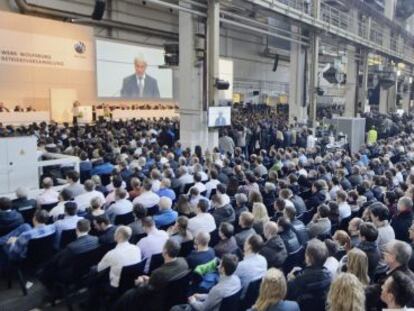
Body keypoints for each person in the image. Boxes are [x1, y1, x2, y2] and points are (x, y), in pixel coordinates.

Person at [116, 239, 189, 310]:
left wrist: (140, 283)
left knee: (128, 295)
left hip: (157, 301)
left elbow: (147, 292)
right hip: (174, 297)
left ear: (165, 251)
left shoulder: (158, 273)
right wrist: (150, 279)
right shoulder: (184, 262)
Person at [287, 239, 332, 311]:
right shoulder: (330, 275)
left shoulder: (298, 280)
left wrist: (290, 280)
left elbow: (288, 296)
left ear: (308, 258)